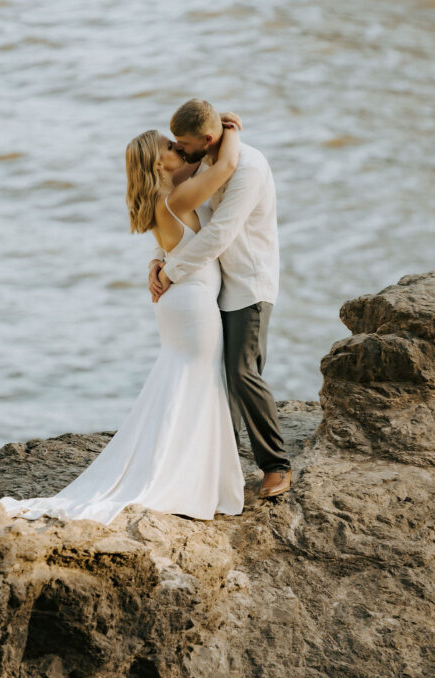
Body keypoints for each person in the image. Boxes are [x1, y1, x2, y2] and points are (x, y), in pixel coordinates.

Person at [0, 113, 247, 525]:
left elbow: (201, 166)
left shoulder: (163, 198)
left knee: (183, 384)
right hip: (191, 304)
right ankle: (181, 476)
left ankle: (190, 473)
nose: (178, 150)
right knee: (195, 387)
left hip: (181, 303)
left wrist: (157, 260)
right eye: (170, 147)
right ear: (158, 163)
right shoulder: (175, 199)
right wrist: (233, 130)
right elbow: (226, 167)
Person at [150, 99, 292, 499]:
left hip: (249, 283)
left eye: (183, 142)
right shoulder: (210, 162)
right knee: (219, 378)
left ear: (207, 139)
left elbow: (220, 233)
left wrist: (170, 272)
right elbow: (187, 220)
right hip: (215, 283)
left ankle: (277, 467)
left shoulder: (248, 167)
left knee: (243, 372)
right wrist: (158, 257)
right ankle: (220, 469)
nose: (180, 150)